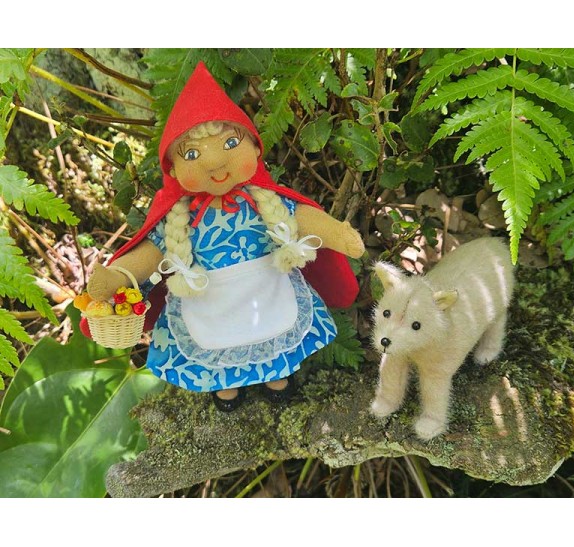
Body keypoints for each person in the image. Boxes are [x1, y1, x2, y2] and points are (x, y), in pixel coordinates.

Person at [84, 62, 364, 411]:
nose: (215, 163)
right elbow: (152, 252)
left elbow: (302, 219)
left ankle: (276, 376)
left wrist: (337, 234)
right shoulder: (180, 218)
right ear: (174, 169)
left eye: (230, 143)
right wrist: (118, 276)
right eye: (192, 154)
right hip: (208, 298)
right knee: (215, 340)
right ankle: (226, 385)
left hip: (266, 288)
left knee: (273, 330)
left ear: (255, 148)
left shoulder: (264, 202)